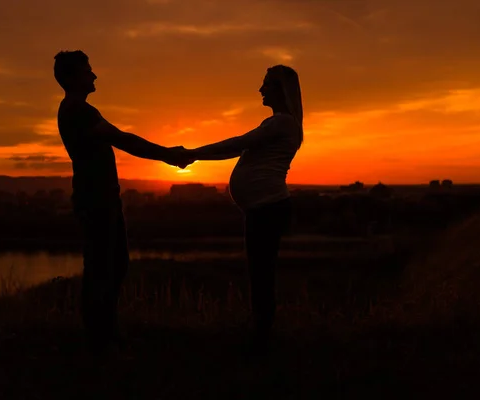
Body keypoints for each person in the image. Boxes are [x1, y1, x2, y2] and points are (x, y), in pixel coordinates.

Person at [54, 50, 187, 357]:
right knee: (103, 268)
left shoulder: (76, 108)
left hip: (101, 198)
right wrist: (168, 155)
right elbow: (124, 139)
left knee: (113, 266)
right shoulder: (78, 111)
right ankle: (100, 340)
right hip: (96, 199)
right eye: (88, 70)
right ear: (73, 77)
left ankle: (105, 333)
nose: (94, 75)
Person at [184, 65, 303, 358]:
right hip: (263, 208)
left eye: (266, 85)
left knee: (261, 273)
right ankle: (261, 333)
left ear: (280, 90)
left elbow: (237, 145)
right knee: (260, 272)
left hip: (268, 208)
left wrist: (192, 154)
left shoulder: (281, 123)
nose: (260, 90)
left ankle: (262, 339)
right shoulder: (279, 123)